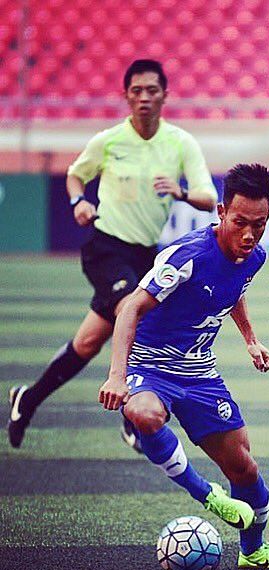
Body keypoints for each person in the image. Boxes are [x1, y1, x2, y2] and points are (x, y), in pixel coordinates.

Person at [98, 163, 269, 570]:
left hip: (199, 373)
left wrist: (251, 339)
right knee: (143, 413)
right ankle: (205, 494)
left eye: (258, 225)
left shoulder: (254, 256)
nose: (248, 234)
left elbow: (233, 293)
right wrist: (117, 377)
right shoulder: (186, 257)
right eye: (240, 222)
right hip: (149, 366)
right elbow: (130, 309)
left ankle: (253, 550)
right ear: (222, 211)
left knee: (244, 467)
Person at [7, 59, 217, 451]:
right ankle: (132, 418)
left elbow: (209, 199)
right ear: (126, 96)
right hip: (106, 247)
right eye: (136, 91)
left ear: (164, 96)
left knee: (87, 343)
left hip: (145, 255)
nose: (143, 98)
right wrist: (77, 202)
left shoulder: (180, 143)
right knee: (133, 312)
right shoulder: (109, 140)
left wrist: (181, 191)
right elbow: (75, 175)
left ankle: (27, 399)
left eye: (151, 90)